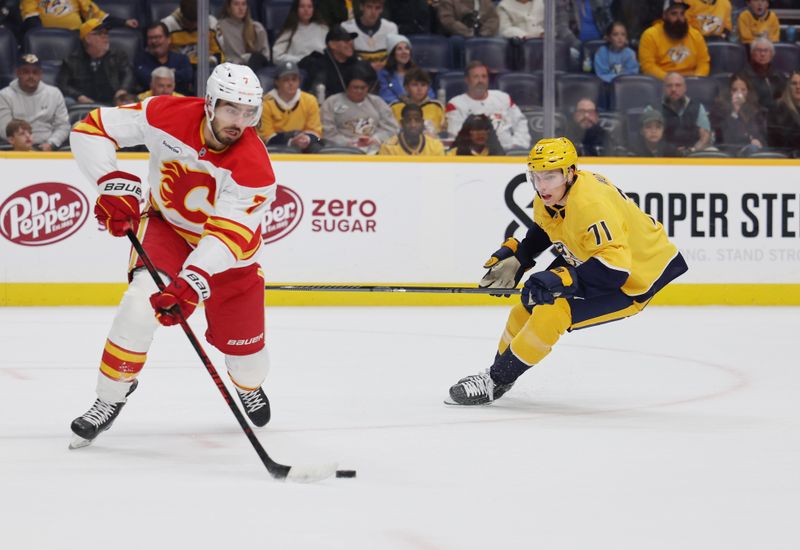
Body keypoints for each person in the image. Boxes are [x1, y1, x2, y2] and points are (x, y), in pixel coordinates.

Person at [68, 62, 276, 448]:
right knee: (138, 304)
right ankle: (110, 397)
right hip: (168, 229)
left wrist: (193, 280)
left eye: (250, 112)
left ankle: (247, 384)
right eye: (232, 109)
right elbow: (91, 129)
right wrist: (111, 184)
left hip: (230, 257)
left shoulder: (255, 169)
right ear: (210, 103)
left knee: (249, 364)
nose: (240, 121)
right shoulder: (164, 113)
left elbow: (227, 234)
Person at [446, 137, 688, 405]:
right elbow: (546, 228)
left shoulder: (590, 205)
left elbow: (615, 269)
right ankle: (499, 377)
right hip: (594, 259)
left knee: (552, 311)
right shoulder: (551, 194)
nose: (541, 185)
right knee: (526, 307)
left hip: (635, 277)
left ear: (570, 172)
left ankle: (494, 381)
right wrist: (522, 257)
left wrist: (564, 278)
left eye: (550, 176)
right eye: (536, 176)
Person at [446, 61, 530, 150]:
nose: (480, 81)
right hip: (477, 157)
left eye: (484, 76)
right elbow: (456, 135)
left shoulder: (503, 98)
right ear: (467, 80)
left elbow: (520, 122)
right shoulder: (455, 104)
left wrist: (517, 144)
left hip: (509, 152)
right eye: (476, 77)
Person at [321, 65, 399, 154]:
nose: (359, 91)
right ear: (346, 86)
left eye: (363, 88)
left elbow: (392, 128)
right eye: (355, 87)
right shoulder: (331, 102)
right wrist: (348, 143)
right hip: (341, 151)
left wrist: (375, 139)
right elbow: (327, 132)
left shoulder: (377, 102)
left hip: (374, 150)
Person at [56, 18, 135, 106]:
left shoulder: (118, 55)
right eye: (100, 34)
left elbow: (128, 74)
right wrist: (78, 96)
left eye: (106, 33)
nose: (105, 36)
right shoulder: (71, 60)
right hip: (84, 103)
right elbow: (62, 84)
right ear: (87, 38)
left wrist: (122, 90)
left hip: (113, 101)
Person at [0, 54, 69, 151]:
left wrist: (52, 143)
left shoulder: (54, 94)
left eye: (35, 72)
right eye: (26, 72)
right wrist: (25, 145)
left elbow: (63, 125)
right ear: (18, 73)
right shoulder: (4, 95)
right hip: (17, 149)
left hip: (48, 148)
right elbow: (5, 129)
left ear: (41, 74)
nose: (31, 76)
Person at [259, 61, 323, 153]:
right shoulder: (266, 103)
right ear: (277, 82)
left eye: (294, 79)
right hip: (275, 150)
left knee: (317, 148)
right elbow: (266, 137)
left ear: (299, 81)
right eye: (286, 80)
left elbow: (316, 132)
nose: (291, 83)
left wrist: (306, 139)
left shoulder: (310, 100)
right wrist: (291, 141)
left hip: (305, 146)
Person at [638, 0, 710, 80]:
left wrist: (696, 79)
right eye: (674, 14)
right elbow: (647, 66)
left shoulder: (696, 35)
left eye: (682, 14)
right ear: (664, 15)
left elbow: (703, 63)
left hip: (691, 82)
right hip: (661, 83)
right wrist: (671, 79)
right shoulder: (650, 35)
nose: (679, 18)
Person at [298, 24, 361, 98]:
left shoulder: (358, 64)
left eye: (350, 40)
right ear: (332, 45)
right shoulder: (318, 65)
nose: (350, 43)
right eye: (345, 40)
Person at [709, 73, 765, 152]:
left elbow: (759, 133)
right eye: (734, 90)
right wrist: (735, 111)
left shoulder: (755, 109)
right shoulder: (719, 108)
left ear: (748, 91)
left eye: (743, 90)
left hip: (750, 151)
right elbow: (723, 135)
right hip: (726, 150)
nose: (739, 94)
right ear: (729, 91)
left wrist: (758, 141)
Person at [134, 22, 194, 96]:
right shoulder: (141, 59)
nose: (154, 41)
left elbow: (187, 76)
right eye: (150, 38)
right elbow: (144, 78)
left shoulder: (181, 59)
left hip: (179, 104)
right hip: (150, 103)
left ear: (168, 39)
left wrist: (158, 75)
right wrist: (172, 73)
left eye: (158, 37)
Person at [162, 0, 224, 68]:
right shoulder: (167, 25)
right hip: (179, 66)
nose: (193, 26)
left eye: (196, 22)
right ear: (182, 15)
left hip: (206, 65)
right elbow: (163, 55)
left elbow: (220, 52)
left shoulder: (212, 23)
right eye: (189, 22)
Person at [661, 71, 711, 153]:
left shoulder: (698, 107)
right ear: (663, 89)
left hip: (693, 155)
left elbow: (705, 137)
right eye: (669, 86)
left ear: (685, 88)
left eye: (678, 85)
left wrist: (692, 150)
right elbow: (649, 137)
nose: (673, 89)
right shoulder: (654, 108)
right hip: (663, 157)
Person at [20, 0, 137, 34]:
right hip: (47, 37)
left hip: (76, 36)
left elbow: (96, 14)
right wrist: (44, 35)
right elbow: (30, 18)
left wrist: (124, 22)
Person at [342, 0, 399, 69]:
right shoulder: (347, 28)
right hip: (358, 73)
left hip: (385, 73)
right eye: (369, 7)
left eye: (377, 8)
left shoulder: (391, 28)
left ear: (382, 9)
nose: (373, 12)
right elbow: (345, 58)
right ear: (361, 7)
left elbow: (394, 56)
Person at [389, 68, 445, 136]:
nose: (419, 89)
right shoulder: (394, 107)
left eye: (423, 85)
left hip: (431, 144)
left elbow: (443, 133)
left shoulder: (437, 107)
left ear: (428, 87)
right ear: (406, 87)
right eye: (414, 85)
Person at [377, 34, 431, 104]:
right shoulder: (384, 74)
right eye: (399, 49)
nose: (404, 52)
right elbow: (386, 96)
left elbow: (429, 93)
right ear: (392, 53)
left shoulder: (418, 71)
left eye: (407, 48)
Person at [217, 0, 271, 70]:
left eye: (243, 4)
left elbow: (265, 56)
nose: (241, 8)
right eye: (236, 4)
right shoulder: (220, 27)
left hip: (254, 68)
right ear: (229, 7)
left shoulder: (256, 28)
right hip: (231, 68)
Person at [272, 0, 328, 64]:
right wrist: (300, 60)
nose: (306, 10)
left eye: (309, 7)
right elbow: (277, 56)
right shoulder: (290, 30)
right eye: (302, 6)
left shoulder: (323, 28)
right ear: (296, 9)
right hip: (299, 67)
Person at [379, 103, 445, 155]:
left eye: (417, 120)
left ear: (422, 122)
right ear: (402, 123)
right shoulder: (388, 147)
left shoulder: (435, 146)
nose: (413, 125)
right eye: (408, 120)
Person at [741, 37, 786, 111]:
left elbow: (786, 99)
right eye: (758, 50)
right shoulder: (743, 77)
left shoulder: (779, 76)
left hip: (779, 117)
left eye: (766, 50)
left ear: (772, 54)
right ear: (752, 54)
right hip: (755, 118)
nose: (762, 54)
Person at [767, 70, 800, 151]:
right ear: (788, 87)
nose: (798, 87)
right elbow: (780, 139)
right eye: (794, 83)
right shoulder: (778, 108)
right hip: (786, 157)